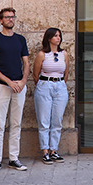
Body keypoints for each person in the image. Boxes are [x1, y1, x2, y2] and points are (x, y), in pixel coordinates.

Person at [0, 7, 30, 173]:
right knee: (0, 125)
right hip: (1, 86)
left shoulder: (20, 40)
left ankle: (13, 158)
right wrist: (9, 82)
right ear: (1, 20)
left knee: (16, 124)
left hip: (19, 87)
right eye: (7, 17)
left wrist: (23, 81)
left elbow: (26, 63)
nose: (10, 20)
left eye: (12, 17)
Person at [32, 28, 69, 165]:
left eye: (59, 35)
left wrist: (60, 85)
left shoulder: (64, 53)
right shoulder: (42, 54)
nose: (58, 38)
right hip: (44, 86)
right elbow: (35, 74)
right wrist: (44, 85)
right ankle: (45, 152)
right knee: (44, 121)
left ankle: (54, 150)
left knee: (57, 120)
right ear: (48, 38)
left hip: (60, 86)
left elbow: (66, 73)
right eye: (54, 36)